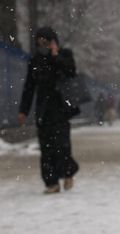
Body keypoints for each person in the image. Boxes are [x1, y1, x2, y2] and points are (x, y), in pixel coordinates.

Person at [18, 27, 80, 194]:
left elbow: (71, 71)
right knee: (46, 148)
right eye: (39, 43)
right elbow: (29, 87)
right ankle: (51, 182)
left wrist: (55, 55)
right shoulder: (35, 62)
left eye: (46, 42)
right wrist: (23, 109)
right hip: (43, 111)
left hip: (61, 110)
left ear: (53, 41)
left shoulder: (64, 55)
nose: (42, 46)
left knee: (62, 145)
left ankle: (67, 173)